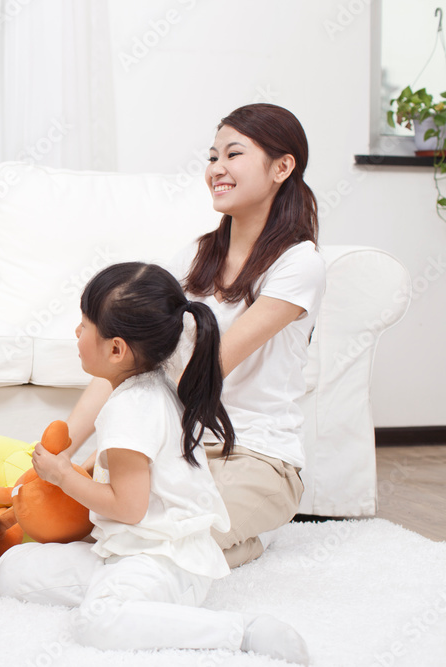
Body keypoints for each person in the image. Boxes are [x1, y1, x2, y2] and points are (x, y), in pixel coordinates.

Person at [0, 262, 308, 664]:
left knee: (97, 623)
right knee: (14, 568)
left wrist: (61, 475)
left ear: (116, 349)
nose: (77, 332)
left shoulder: (132, 409)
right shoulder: (147, 385)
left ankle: (242, 632)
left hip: (164, 561)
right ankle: (130, 602)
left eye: (85, 324)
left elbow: (128, 507)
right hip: (123, 551)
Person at [65, 103, 325, 568]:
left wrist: (105, 452)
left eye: (233, 155)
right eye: (212, 157)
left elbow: (206, 368)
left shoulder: (298, 264)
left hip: (256, 457)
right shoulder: (197, 255)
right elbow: (120, 359)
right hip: (182, 448)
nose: (217, 169)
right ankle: (231, 536)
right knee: (94, 523)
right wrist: (62, 449)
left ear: (282, 167)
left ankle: (260, 534)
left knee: (145, 540)